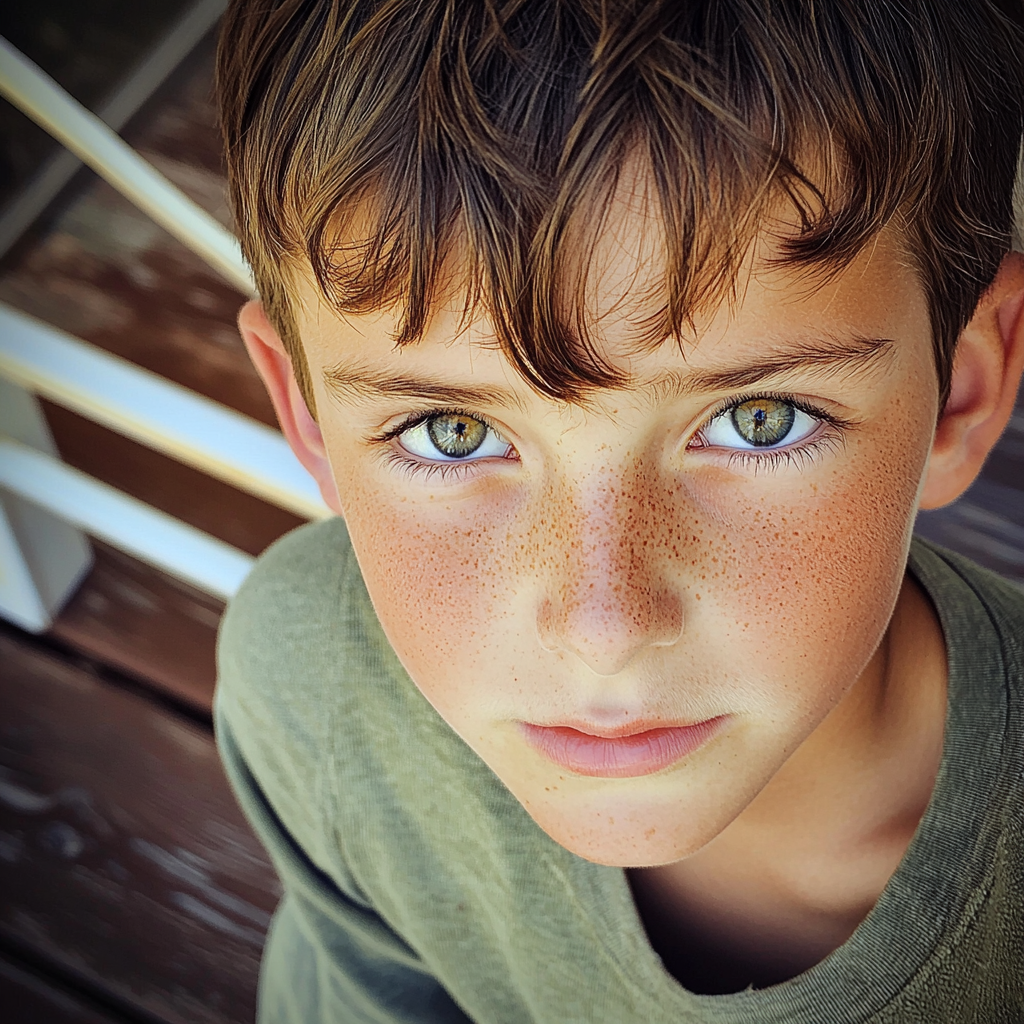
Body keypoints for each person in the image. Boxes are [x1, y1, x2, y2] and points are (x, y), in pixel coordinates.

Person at [212, 1, 1024, 1020]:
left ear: (962, 389)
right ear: (309, 417)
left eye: (758, 419)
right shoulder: (313, 685)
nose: (604, 630)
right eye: (450, 432)